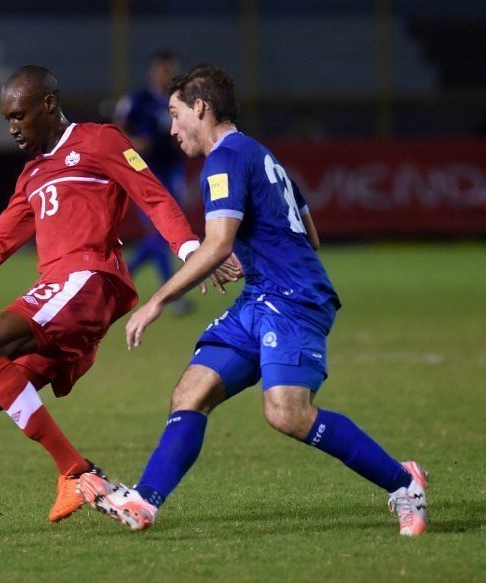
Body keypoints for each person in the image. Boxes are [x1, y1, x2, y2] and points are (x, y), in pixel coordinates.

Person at [80, 64, 429, 537]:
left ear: (200, 107)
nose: (172, 127)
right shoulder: (263, 155)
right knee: (191, 392)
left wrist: (156, 301)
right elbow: (310, 234)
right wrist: (257, 255)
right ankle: (145, 501)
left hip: (293, 300)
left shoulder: (223, 159)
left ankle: (404, 482)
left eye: (176, 113)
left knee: (287, 413)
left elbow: (218, 243)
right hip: (263, 294)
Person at [0, 65, 202, 539]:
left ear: (48, 105)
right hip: (62, 300)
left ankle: (75, 470)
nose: (12, 127)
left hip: (87, 281)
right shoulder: (31, 174)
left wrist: (192, 251)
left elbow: (152, 198)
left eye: (19, 116)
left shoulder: (99, 140)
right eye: (6, 118)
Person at [115, 51, 193, 315]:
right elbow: (117, 130)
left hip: (173, 171)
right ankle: (173, 295)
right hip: (144, 174)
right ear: (152, 72)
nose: (165, 76)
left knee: (163, 234)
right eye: (162, 70)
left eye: (170, 71)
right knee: (159, 233)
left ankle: (120, 275)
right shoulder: (137, 100)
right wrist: (134, 143)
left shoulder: (181, 101)